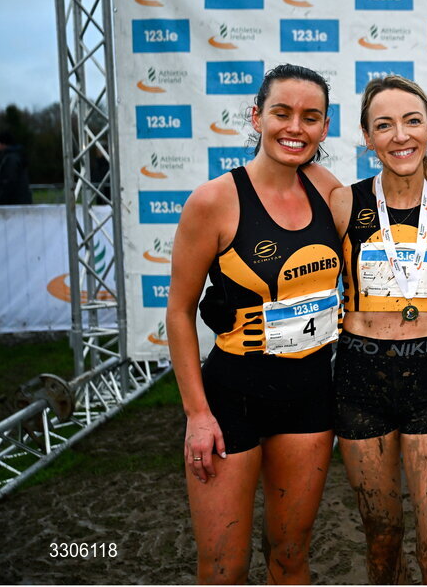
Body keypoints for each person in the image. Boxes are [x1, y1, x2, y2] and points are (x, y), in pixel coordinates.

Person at [166, 64, 342, 584]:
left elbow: (387, 212)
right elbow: (179, 312)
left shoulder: (324, 187)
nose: (295, 128)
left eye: (310, 117)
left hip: (310, 395)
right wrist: (197, 415)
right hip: (232, 400)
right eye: (282, 113)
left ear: (325, 126)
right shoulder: (214, 200)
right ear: (257, 117)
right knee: (224, 567)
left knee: (290, 557)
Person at [330, 75, 427, 584]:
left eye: (412, 121)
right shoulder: (343, 203)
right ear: (367, 137)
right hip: (359, 377)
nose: (400, 136)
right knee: (382, 537)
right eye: (384, 125)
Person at [0, 131, 32, 205]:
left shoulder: (11, 159)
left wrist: (1, 199)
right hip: (20, 201)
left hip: (15, 202)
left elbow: (9, 182)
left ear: (3, 143)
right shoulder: (15, 156)